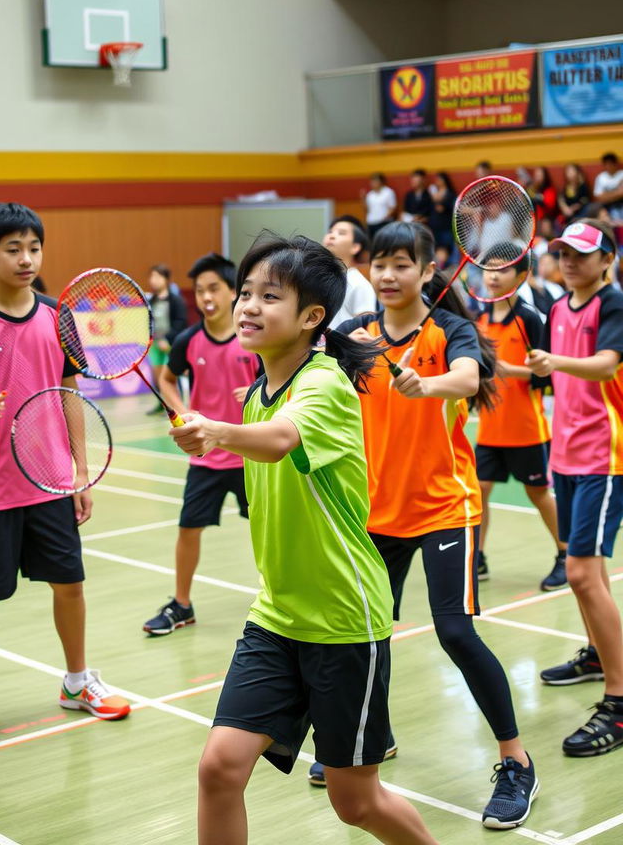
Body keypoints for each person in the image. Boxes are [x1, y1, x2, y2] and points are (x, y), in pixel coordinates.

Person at [169, 234, 439, 845]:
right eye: (245, 293)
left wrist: (219, 432)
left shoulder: (325, 384)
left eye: (269, 296)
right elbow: (261, 433)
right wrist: (225, 428)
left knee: (355, 801)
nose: (247, 306)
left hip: (344, 618)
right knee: (219, 768)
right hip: (277, 614)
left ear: (312, 317)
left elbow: (283, 439)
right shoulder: (253, 393)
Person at [330, 221, 539, 829]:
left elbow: (471, 378)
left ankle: (516, 760)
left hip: (446, 506)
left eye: (402, 264)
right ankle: (377, 738)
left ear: (427, 271)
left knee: (454, 631)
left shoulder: (450, 329)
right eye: (380, 264)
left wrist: (429, 384)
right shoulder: (354, 335)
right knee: (366, 632)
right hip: (376, 512)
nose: (389, 275)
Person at [0, 202, 129, 749]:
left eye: (34, 247)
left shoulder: (56, 316)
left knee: (70, 583)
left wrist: (80, 471)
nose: (26, 259)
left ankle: (77, 681)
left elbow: (70, 393)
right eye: (13, 249)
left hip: (48, 481)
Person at [527, 219, 623, 757]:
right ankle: (597, 656)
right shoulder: (559, 309)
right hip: (563, 453)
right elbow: (546, 372)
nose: (569, 261)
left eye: (582, 255)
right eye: (562, 253)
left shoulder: (613, 304)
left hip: (605, 456)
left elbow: (607, 367)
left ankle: (620, 699)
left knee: (581, 571)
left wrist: (554, 361)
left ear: (606, 260)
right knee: (590, 572)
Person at [143, 254, 259, 636]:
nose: (207, 297)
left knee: (268, 529)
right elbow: (166, 378)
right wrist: (181, 413)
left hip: (251, 457)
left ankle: (281, 598)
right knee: (188, 529)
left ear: (232, 293)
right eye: (201, 290)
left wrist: (261, 391)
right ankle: (181, 605)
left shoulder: (255, 336)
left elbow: (285, 378)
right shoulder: (188, 340)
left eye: (215, 289)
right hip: (206, 458)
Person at [474, 246, 566, 590]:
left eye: (502, 270)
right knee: (479, 489)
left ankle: (565, 554)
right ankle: (478, 558)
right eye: (488, 269)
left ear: (521, 276)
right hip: (489, 428)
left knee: (538, 494)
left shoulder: (529, 319)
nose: (493, 276)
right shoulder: (480, 318)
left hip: (526, 429)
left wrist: (506, 369)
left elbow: (544, 375)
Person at [146, 263, 188, 415]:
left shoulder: (176, 300)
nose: (153, 280)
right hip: (155, 344)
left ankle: (176, 405)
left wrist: (168, 339)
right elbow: (148, 321)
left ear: (165, 279)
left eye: (157, 276)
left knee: (170, 375)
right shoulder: (151, 301)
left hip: (170, 344)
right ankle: (161, 404)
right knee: (157, 378)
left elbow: (181, 321)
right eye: (151, 276)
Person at [322, 216, 376, 327]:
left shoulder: (358, 283)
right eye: (330, 232)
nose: (331, 236)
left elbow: (367, 327)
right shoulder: (318, 280)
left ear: (355, 247)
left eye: (341, 233)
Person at [427, 171, 456, 251]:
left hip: (446, 227)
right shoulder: (434, 192)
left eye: (439, 179)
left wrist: (435, 199)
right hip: (434, 226)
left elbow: (440, 208)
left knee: (445, 249)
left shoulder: (450, 194)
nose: (437, 181)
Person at [363, 172, 397, 239]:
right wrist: (363, 200)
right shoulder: (370, 194)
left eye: (375, 181)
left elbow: (392, 207)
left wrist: (385, 218)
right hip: (371, 222)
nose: (373, 183)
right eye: (372, 181)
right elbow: (367, 210)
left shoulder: (388, 192)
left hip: (384, 223)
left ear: (381, 182)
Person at [593, 152, 623, 222]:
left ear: (615, 164)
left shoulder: (621, 174)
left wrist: (607, 195)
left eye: (611, 163)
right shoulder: (601, 177)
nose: (609, 166)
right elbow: (599, 197)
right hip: (607, 207)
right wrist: (617, 193)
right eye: (606, 164)